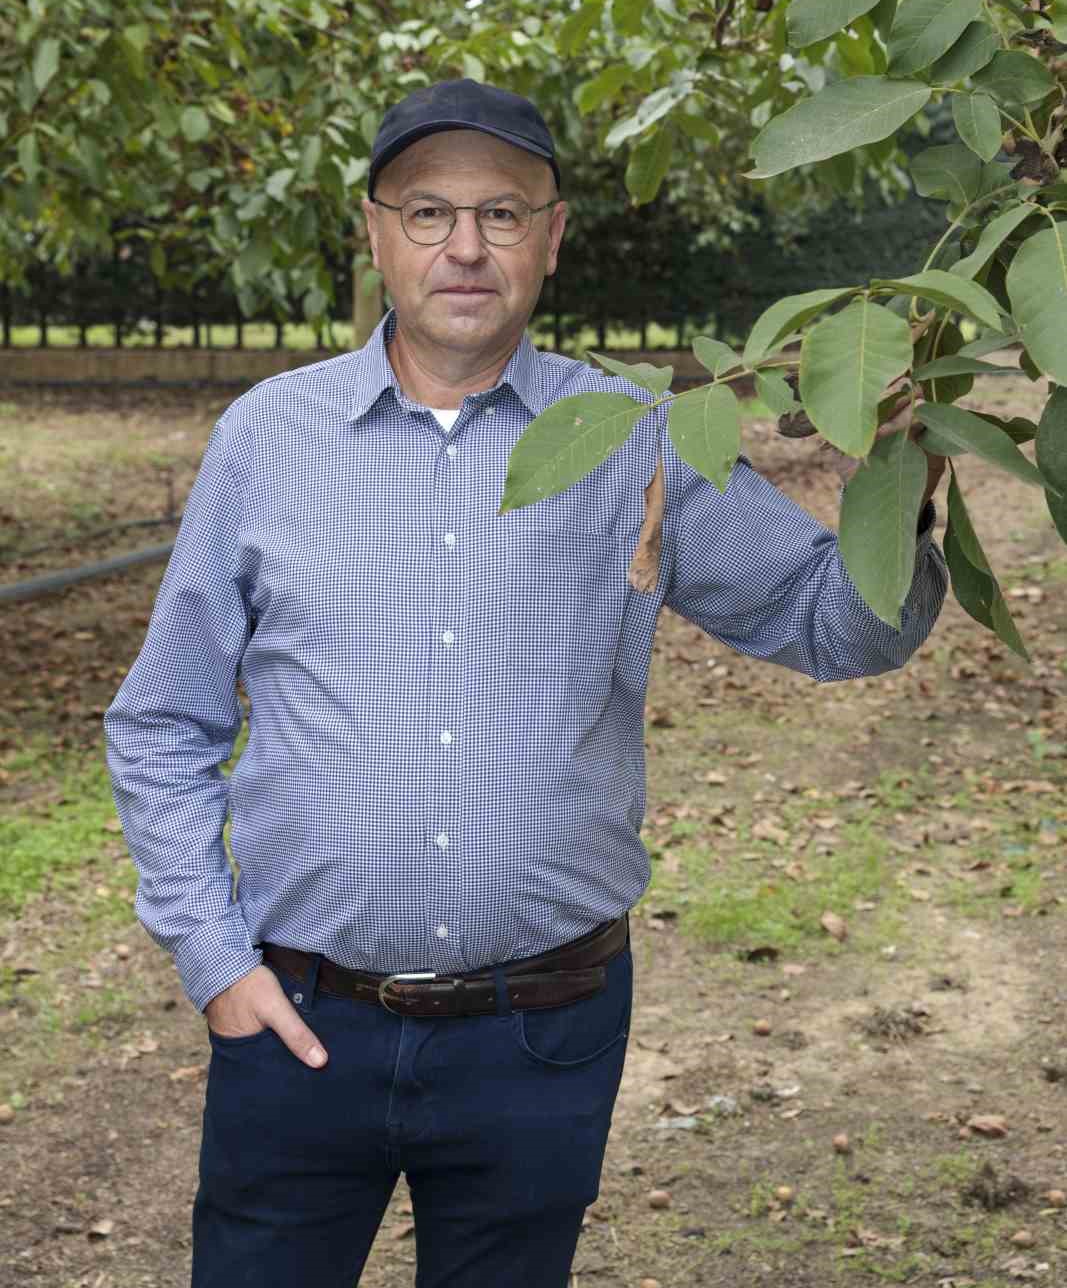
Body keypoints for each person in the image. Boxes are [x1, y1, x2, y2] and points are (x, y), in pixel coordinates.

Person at [104, 78, 948, 1288]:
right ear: (374, 229)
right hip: (299, 1024)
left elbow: (833, 627)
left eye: (500, 214)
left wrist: (903, 481)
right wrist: (215, 963)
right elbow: (161, 721)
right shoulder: (265, 441)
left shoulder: (636, 433)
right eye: (428, 210)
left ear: (552, 236)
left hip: (541, 1032)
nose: (463, 246)